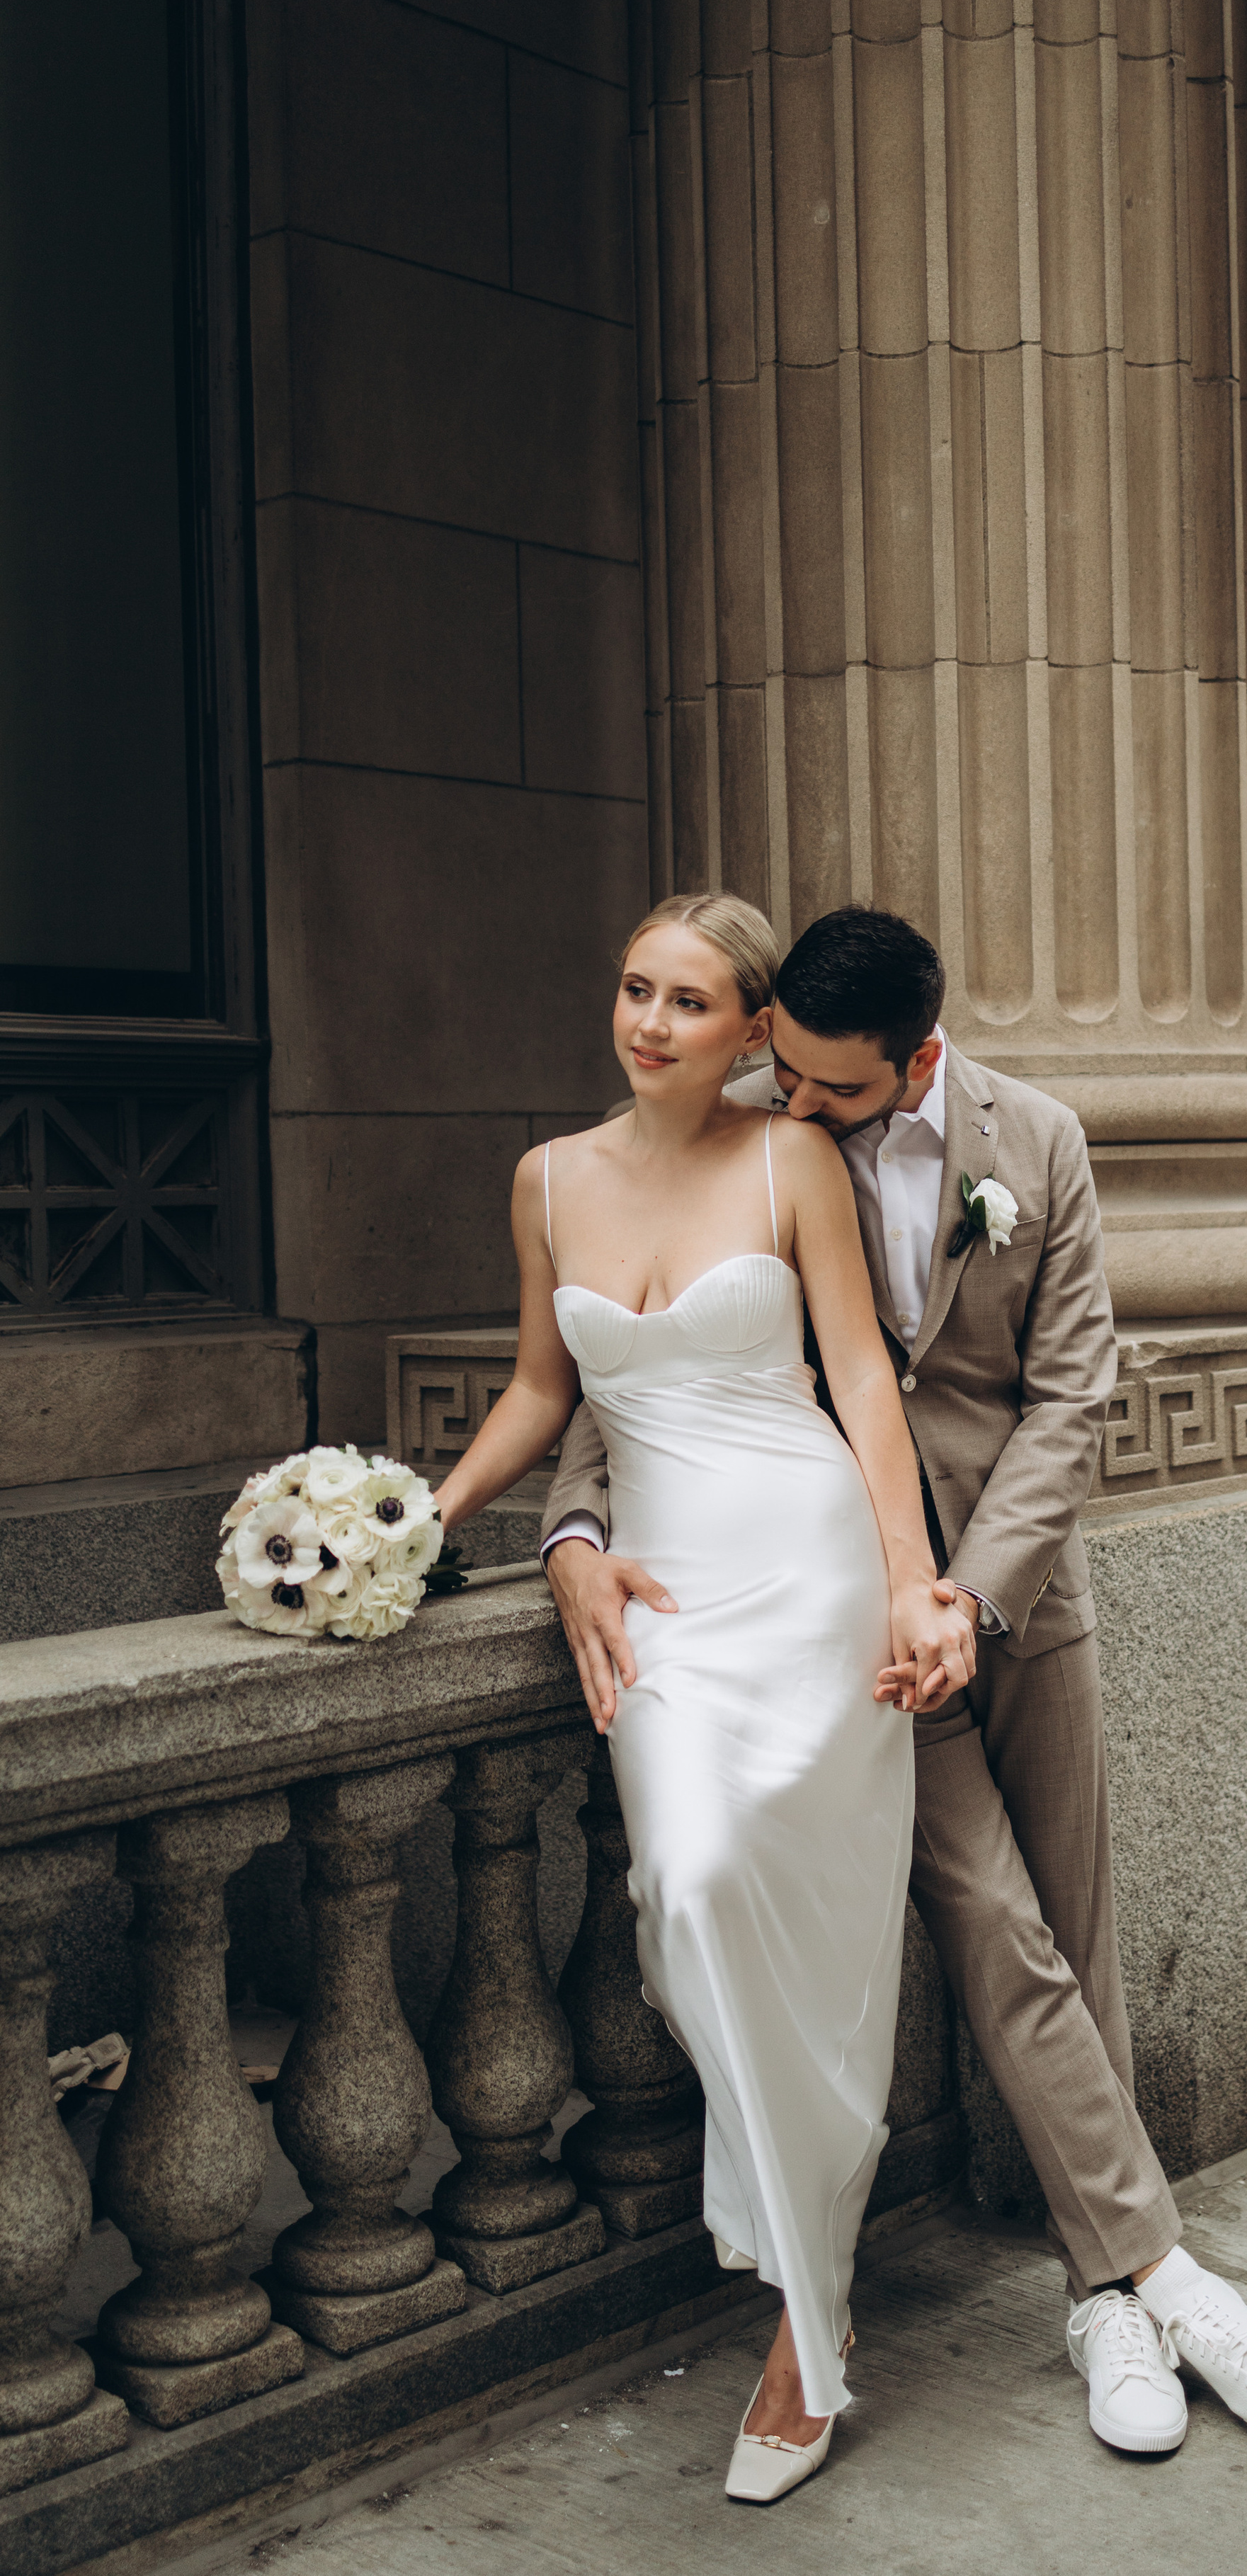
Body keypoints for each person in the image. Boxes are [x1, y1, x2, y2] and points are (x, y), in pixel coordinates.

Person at [544, 904, 1247, 2462]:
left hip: (1013, 1593)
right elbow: (631, 1376)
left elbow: (1070, 1392)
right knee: (991, 1916)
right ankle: (1161, 2283)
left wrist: (970, 1592)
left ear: (912, 1057)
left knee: (1073, 1929)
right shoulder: (756, 1136)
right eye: (788, 1076)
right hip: (834, 1618)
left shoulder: (1033, 1141)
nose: (805, 1108)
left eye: (837, 1090)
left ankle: (1099, 2287)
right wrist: (572, 1527)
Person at [432, 893, 974, 2507]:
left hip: (805, 1572)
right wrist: (413, 1522)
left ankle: (810, 2326)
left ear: (750, 1031)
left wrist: (907, 1576)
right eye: (630, 989)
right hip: (664, 1586)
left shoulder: (785, 1159)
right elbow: (546, 1386)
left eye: (685, 1001)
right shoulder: (543, 1181)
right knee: (680, 1879)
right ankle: (817, 2240)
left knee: (782, 1901)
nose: (647, 1022)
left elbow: (858, 1377)